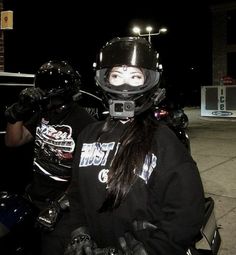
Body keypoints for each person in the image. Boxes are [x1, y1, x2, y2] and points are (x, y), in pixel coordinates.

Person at [64, 37, 205, 255]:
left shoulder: (163, 140)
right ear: (105, 80)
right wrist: (79, 232)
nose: (125, 84)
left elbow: (186, 211)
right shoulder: (88, 135)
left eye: (135, 76)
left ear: (149, 81)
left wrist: (153, 249)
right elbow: (76, 194)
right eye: (116, 76)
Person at [4, 60, 96, 255]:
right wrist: (17, 113)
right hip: (33, 198)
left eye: (47, 88)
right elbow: (13, 141)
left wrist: (58, 206)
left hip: (63, 208)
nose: (42, 92)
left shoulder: (85, 123)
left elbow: (85, 176)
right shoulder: (42, 114)